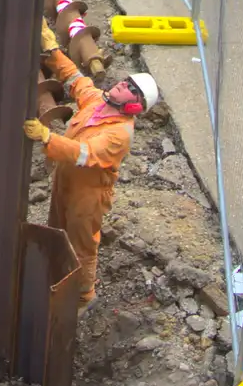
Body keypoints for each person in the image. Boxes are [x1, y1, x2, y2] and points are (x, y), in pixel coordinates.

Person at [23, 22, 158, 307]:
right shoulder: (98, 101)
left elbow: (85, 153)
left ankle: (83, 296)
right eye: (127, 81)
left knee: (81, 243)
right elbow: (75, 79)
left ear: (135, 106)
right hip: (67, 179)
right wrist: (52, 49)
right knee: (57, 227)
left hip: (89, 194)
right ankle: (55, 274)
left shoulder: (119, 134)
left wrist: (48, 137)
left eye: (131, 89)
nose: (123, 84)